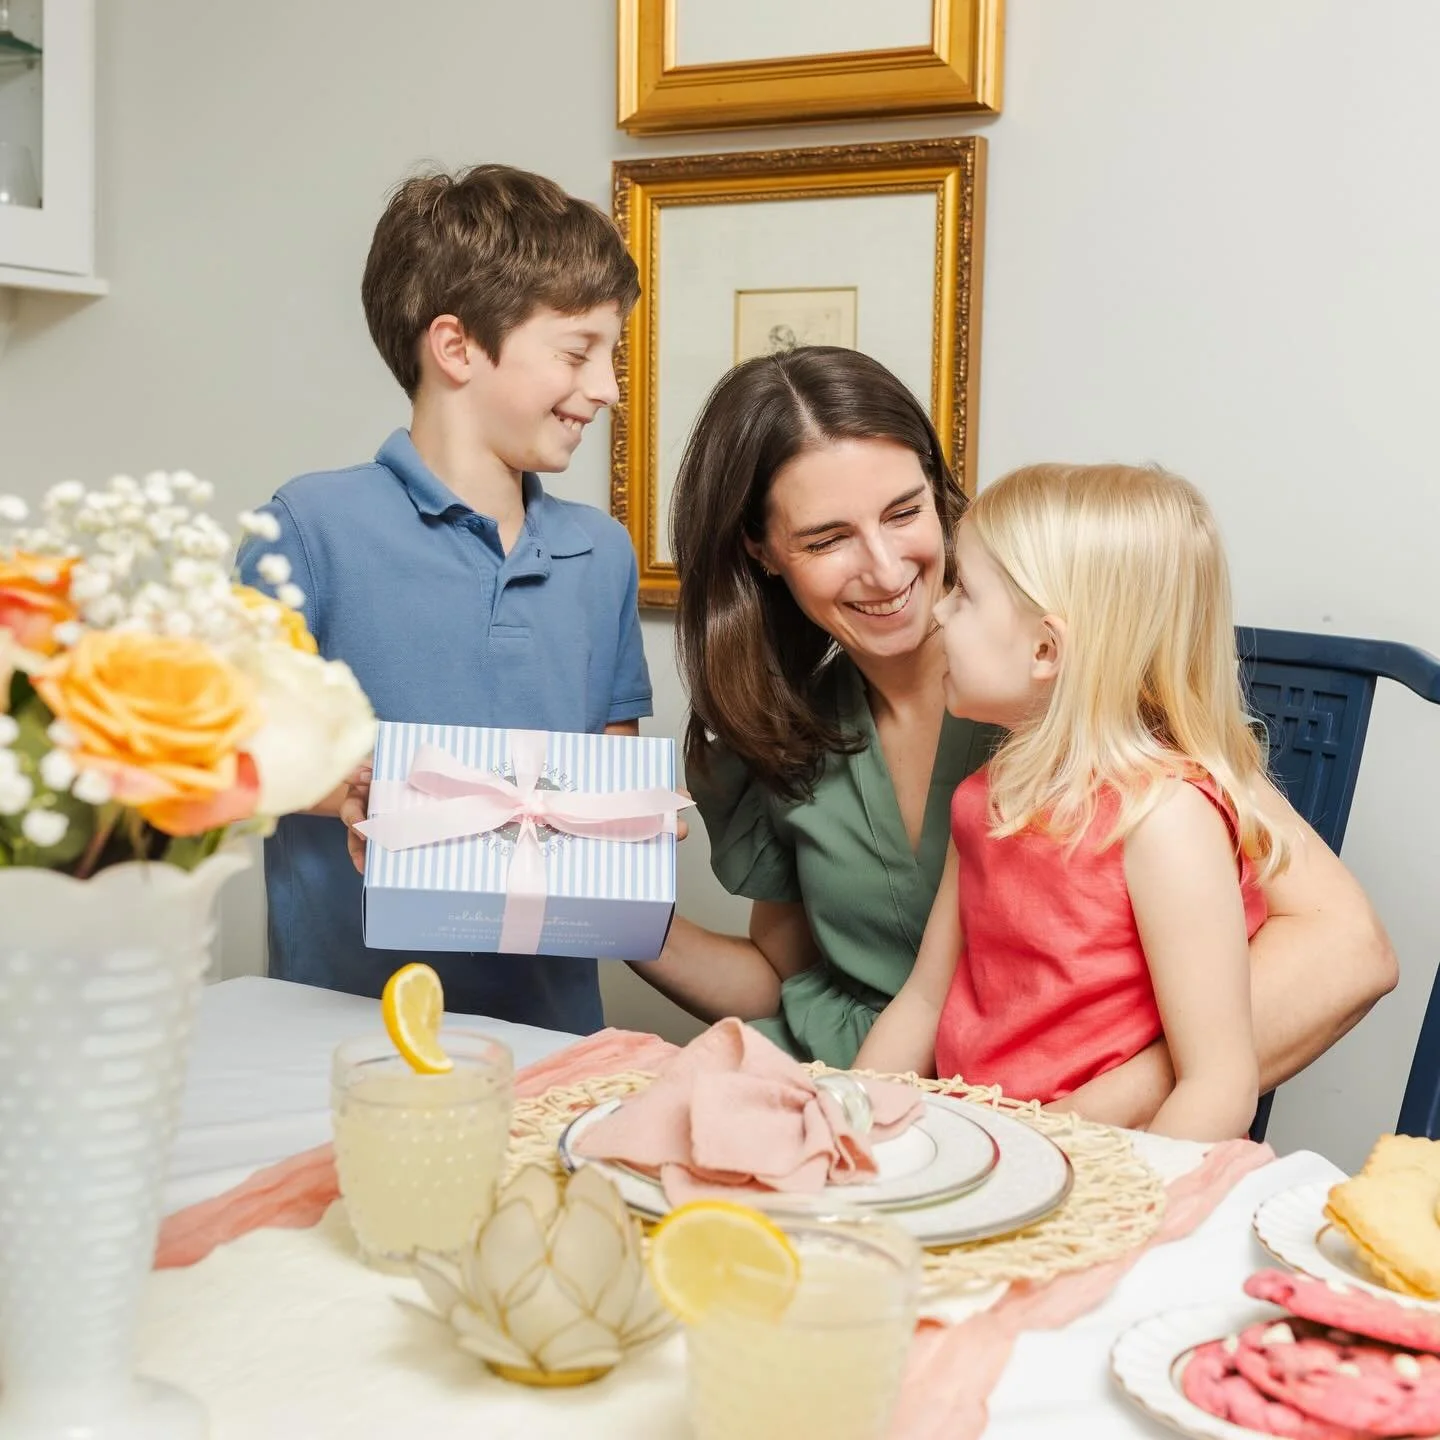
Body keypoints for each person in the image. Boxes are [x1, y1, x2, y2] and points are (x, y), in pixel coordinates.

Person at [634, 346, 1396, 1131]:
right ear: (761, 552)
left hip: (1058, 1131)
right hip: (871, 1101)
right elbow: (792, 980)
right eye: (828, 539)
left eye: (904, 511)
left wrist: (1073, 1123)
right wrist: (615, 918)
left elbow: (1348, 950)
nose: (891, 571)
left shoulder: (1093, 704)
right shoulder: (797, 725)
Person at [236, 164, 651, 1033]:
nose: (608, 387)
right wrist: (359, 789)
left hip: (552, 1034)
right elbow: (224, 753)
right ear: (456, 347)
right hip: (339, 1028)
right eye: (578, 353)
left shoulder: (602, 553)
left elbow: (608, 773)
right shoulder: (308, 527)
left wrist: (627, 829)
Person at [856, 463, 1279, 1138]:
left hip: (1118, 1173)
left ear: (1046, 649)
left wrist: (1113, 1214)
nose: (937, 609)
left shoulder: (1164, 821)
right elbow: (924, 999)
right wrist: (851, 1123)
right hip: (989, 1150)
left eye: (964, 594)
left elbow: (1220, 1084)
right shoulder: (987, 799)